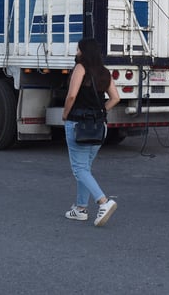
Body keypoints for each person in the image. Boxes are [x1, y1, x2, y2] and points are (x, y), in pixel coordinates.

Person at [62, 38, 121, 227]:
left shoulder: (80, 68)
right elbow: (115, 98)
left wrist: (65, 114)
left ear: (83, 51)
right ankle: (80, 209)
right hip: (99, 126)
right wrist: (100, 110)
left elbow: (72, 95)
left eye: (78, 48)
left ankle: (103, 202)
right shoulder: (104, 72)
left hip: (79, 124)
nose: (76, 51)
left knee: (79, 169)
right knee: (84, 168)